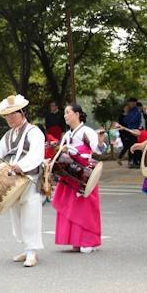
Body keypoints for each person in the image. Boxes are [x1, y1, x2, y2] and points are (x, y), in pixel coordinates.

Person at [0, 94, 45, 267]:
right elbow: (1, 156)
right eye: (7, 115)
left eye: (13, 114)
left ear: (23, 113)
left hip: (30, 177)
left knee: (30, 212)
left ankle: (32, 251)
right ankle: (26, 247)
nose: (9, 118)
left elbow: (37, 154)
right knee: (16, 214)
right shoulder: (8, 135)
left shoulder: (34, 132)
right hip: (12, 180)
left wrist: (21, 166)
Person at [52, 104, 103, 253]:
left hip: (84, 174)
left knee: (86, 207)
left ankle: (89, 240)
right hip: (70, 174)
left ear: (77, 114)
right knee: (70, 207)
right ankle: (75, 240)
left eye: (68, 112)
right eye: (65, 113)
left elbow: (97, 149)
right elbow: (59, 153)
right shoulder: (67, 135)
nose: (65, 115)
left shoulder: (87, 131)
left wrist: (100, 141)